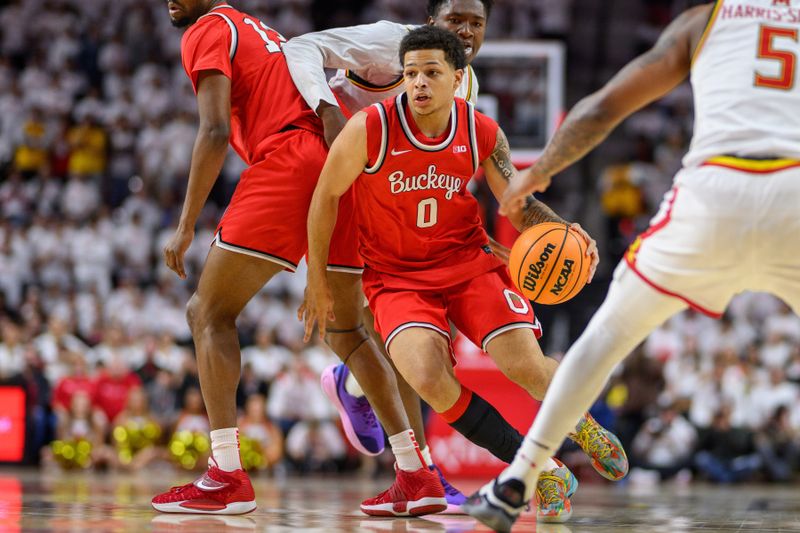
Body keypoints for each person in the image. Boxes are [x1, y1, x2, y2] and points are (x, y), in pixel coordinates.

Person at [466, 1, 800, 530]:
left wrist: (539, 171)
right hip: (795, 193)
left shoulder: (704, 20)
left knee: (605, 335)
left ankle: (518, 479)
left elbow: (601, 109)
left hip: (715, 192)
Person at [300, 25, 627, 521]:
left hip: (468, 265)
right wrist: (317, 281)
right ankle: (541, 472)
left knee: (527, 367)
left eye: (432, 72)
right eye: (411, 74)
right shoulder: (370, 127)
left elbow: (519, 206)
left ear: (458, 77)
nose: (419, 84)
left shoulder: (481, 131)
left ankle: (583, 426)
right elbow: (324, 197)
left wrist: (565, 228)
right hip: (396, 279)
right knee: (429, 378)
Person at [152, 0, 444, 516]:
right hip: (341, 164)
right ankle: (415, 472)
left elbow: (215, 130)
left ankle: (226, 474)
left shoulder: (207, 28)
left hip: (292, 158)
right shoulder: (253, 27)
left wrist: (184, 226)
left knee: (207, 312)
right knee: (348, 331)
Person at [283, 0, 494, 512]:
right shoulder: (386, 41)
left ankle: (370, 407)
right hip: (331, 186)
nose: (465, 31)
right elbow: (302, 46)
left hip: (392, 205)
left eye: (475, 23)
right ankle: (359, 391)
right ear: (429, 22)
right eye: (454, 20)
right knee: (366, 334)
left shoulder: (464, 85)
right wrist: (328, 109)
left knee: (414, 347)